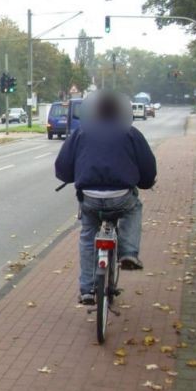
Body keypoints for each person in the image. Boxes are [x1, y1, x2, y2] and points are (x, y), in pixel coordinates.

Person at [54, 90, 157, 305]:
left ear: (94, 111)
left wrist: (70, 176)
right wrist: (145, 183)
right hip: (121, 196)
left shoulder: (81, 133)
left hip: (90, 198)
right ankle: (128, 252)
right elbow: (147, 168)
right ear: (121, 112)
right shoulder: (130, 132)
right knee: (133, 208)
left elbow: (62, 167)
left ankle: (87, 289)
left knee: (87, 234)